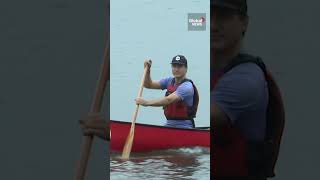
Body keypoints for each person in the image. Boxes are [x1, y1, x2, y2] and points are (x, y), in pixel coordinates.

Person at [211, 0, 285, 179]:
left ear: (244, 22)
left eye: (224, 16)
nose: (213, 25)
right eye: (207, 16)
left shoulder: (246, 79)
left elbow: (199, 119)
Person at [135, 55, 199, 128]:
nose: (176, 69)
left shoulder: (187, 87)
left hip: (184, 126)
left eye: (180, 66)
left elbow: (168, 99)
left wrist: (147, 103)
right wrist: (147, 70)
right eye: (174, 66)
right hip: (169, 124)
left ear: (186, 68)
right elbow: (148, 84)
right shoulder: (169, 81)